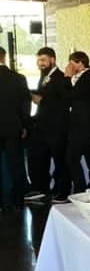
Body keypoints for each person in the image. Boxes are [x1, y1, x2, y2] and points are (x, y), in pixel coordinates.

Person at [25, 46, 70, 205]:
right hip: (42, 125)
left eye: (43, 60)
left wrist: (42, 100)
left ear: (52, 59)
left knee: (60, 160)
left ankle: (62, 191)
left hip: (57, 127)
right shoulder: (44, 77)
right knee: (38, 157)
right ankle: (40, 188)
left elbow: (64, 101)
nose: (40, 64)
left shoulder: (61, 77)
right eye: (38, 61)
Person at [64, 51, 90, 195]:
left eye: (71, 64)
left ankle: (82, 189)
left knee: (72, 158)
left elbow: (69, 96)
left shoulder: (87, 80)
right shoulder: (84, 79)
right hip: (84, 127)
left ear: (80, 63)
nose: (69, 67)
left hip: (83, 127)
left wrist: (67, 77)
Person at [0, 46, 31, 211]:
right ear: (4, 58)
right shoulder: (18, 78)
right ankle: (18, 200)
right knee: (16, 164)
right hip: (13, 126)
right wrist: (24, 124)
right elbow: (25, 104)